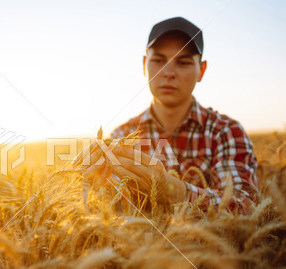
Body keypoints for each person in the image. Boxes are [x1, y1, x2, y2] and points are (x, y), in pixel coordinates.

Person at [80, 17, 259, 214]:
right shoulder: (121, 136)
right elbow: (107, 211)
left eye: (183, 62)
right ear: (144, 64)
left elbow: (246, 208)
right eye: (158, 60)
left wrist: (176, 192)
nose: (168, 72)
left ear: (201, 70)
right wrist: (87, 186)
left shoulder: (225, 132)